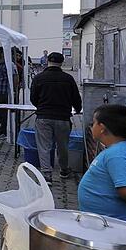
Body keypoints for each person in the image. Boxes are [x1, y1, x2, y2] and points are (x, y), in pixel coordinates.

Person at [78, 104, 126, 224]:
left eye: (93, 123)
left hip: (114, 228)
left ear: (102, 128)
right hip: (102, 224)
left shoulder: (118, 154)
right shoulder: (115, 151)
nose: (91, 127)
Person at [31, 52, 82, 182]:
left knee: (44, 147)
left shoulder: (39, 78)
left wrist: (41, 107)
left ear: (47, 61)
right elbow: (76, 97)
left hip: (43, 116)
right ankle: (64, 170)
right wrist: (77, 109)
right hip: (63, 117)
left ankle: (46, 175)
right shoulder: (68, 79)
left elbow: (33, 98)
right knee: (63, 146)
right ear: (62, 62)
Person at [0, 47, 18, 136]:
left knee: (4, 112)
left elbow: (15, 77)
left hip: (5, 90)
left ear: (2, 53)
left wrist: (14, 89)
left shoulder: (10, 64)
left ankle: (4, 131)